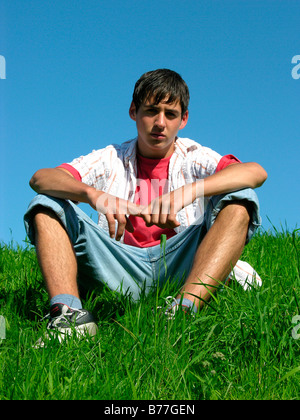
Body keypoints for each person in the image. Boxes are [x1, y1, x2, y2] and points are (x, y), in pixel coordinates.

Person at [24, 69, 267, 342]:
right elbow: (41, 178)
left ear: (183, 119)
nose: (160, 123)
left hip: (179, 263)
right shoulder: (110, 158)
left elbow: (255, 172)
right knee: (46, 203)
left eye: (171, 114)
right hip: (117, 265)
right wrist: (93, 195)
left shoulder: (195, 157)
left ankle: (184, 311)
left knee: (241, 199)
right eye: (151, 111)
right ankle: (68, 317)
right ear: (133, 111)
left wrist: (189, 191)